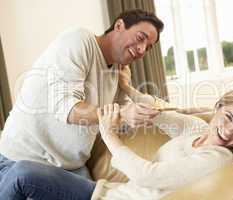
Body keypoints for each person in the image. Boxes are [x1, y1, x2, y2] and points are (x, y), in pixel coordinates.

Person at [0, 9, 163, 199]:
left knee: (113, 196)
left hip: (70, 169)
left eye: (148, 47)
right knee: (24, 175)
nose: (142, 49)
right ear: (119, 26)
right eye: (140, 37)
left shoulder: (119, 72)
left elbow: (119, 124)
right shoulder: (79, 41)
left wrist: (126, 88)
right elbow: (67, 109)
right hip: (20, 161)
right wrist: (122, 113)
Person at [90, 69, 233, 200]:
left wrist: (109, 135)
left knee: (59, 180)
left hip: (113, 197)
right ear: (218, 107)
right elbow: (158, 113)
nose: (229, 130)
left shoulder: (219, 159)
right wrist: (127, 88)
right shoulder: (198, 129)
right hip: (111, 191)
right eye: (229, 116)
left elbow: (148, 176)